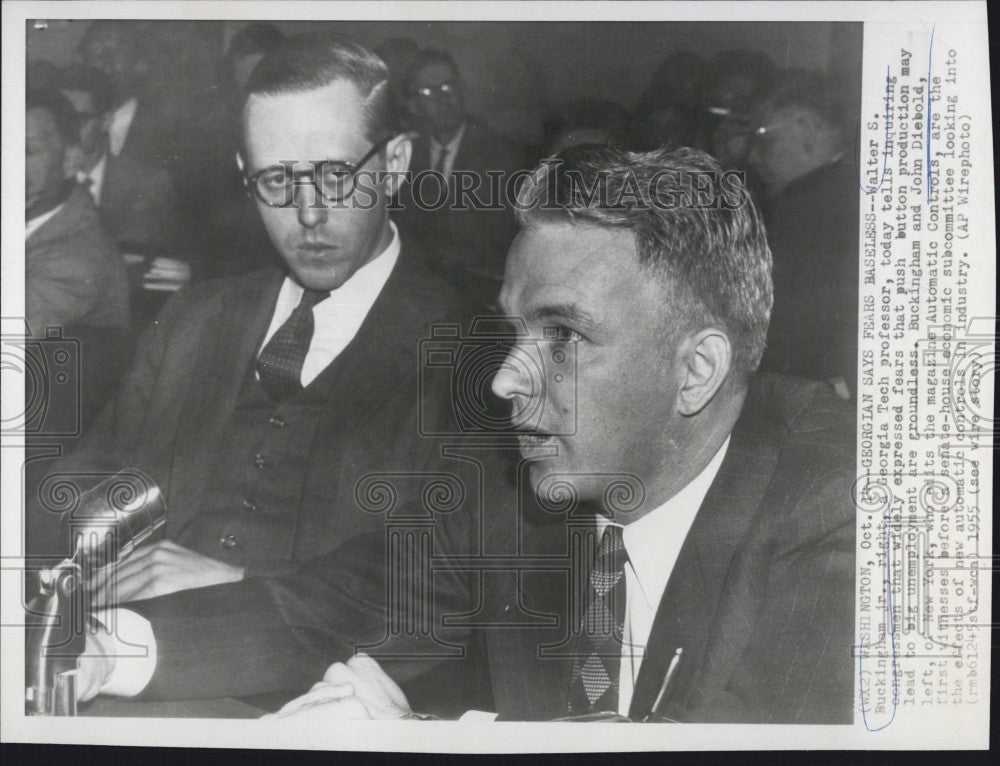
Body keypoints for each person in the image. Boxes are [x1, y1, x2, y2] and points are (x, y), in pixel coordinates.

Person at [75, 145, 856, 725]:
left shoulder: (844, 512)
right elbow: (341, 605)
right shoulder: (513, 482)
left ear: (697, 370)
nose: (504, 379)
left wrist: (428, 743)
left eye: (564, 339)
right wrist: (101, 650)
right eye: (512, 330)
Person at [26, 35, 478, 605]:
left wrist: (243, 585)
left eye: (336, 175)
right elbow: (81, 485)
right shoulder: (194, 318)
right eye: (277, 181)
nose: (308, 213)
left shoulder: (468, 351)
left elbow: (443, 587)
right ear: (245, 174)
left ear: (395, 164)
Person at [747, 69, 859, 399]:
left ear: (807, 128)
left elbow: (786, 342)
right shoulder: (857, 187)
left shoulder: (807, 205)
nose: (752, 156)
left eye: (763, 138)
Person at [396, 48, 527, 306]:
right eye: (429, 92)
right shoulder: (406, 156)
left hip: (481, 298)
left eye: (448, 87)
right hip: (418, 295)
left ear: (462, 90)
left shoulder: (502, 156)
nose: (443, 99)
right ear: (415, 105)